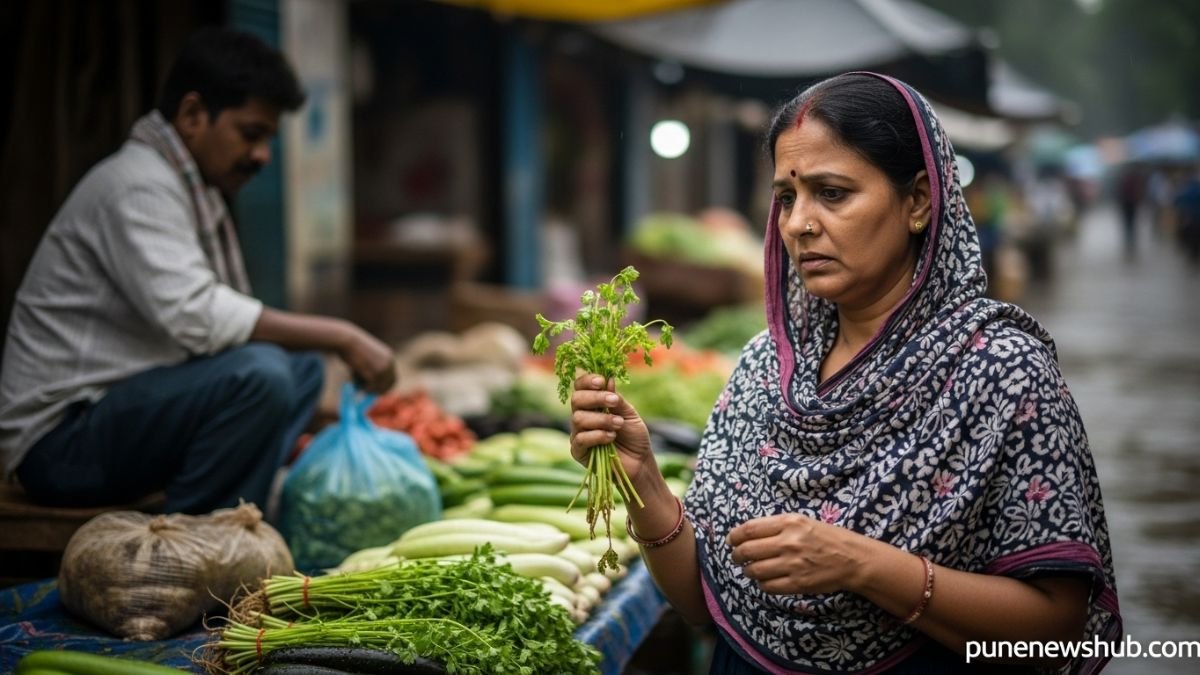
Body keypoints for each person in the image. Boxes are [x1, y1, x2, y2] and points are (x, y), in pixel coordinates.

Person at [570, 73, 1120, 673]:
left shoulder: (1002, 373)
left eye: (832, 194)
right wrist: (644, 481)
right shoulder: (765, 368)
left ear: (917, 201)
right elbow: (706, 606)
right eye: (786, 197)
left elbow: (1059, 632)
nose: (797, 224)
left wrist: (863, 564)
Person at [0, 27, 396, 516]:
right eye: (251, 134)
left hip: (114, 417)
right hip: (61, 446)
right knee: (263, 375)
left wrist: (334, 416)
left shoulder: (188, 189)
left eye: (269, 139)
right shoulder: (138, 185)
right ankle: (199, 537)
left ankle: (234, 517)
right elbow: (195, 314)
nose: (261, 156)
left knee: (300, 373)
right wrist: (341, 335)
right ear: (192, 115)